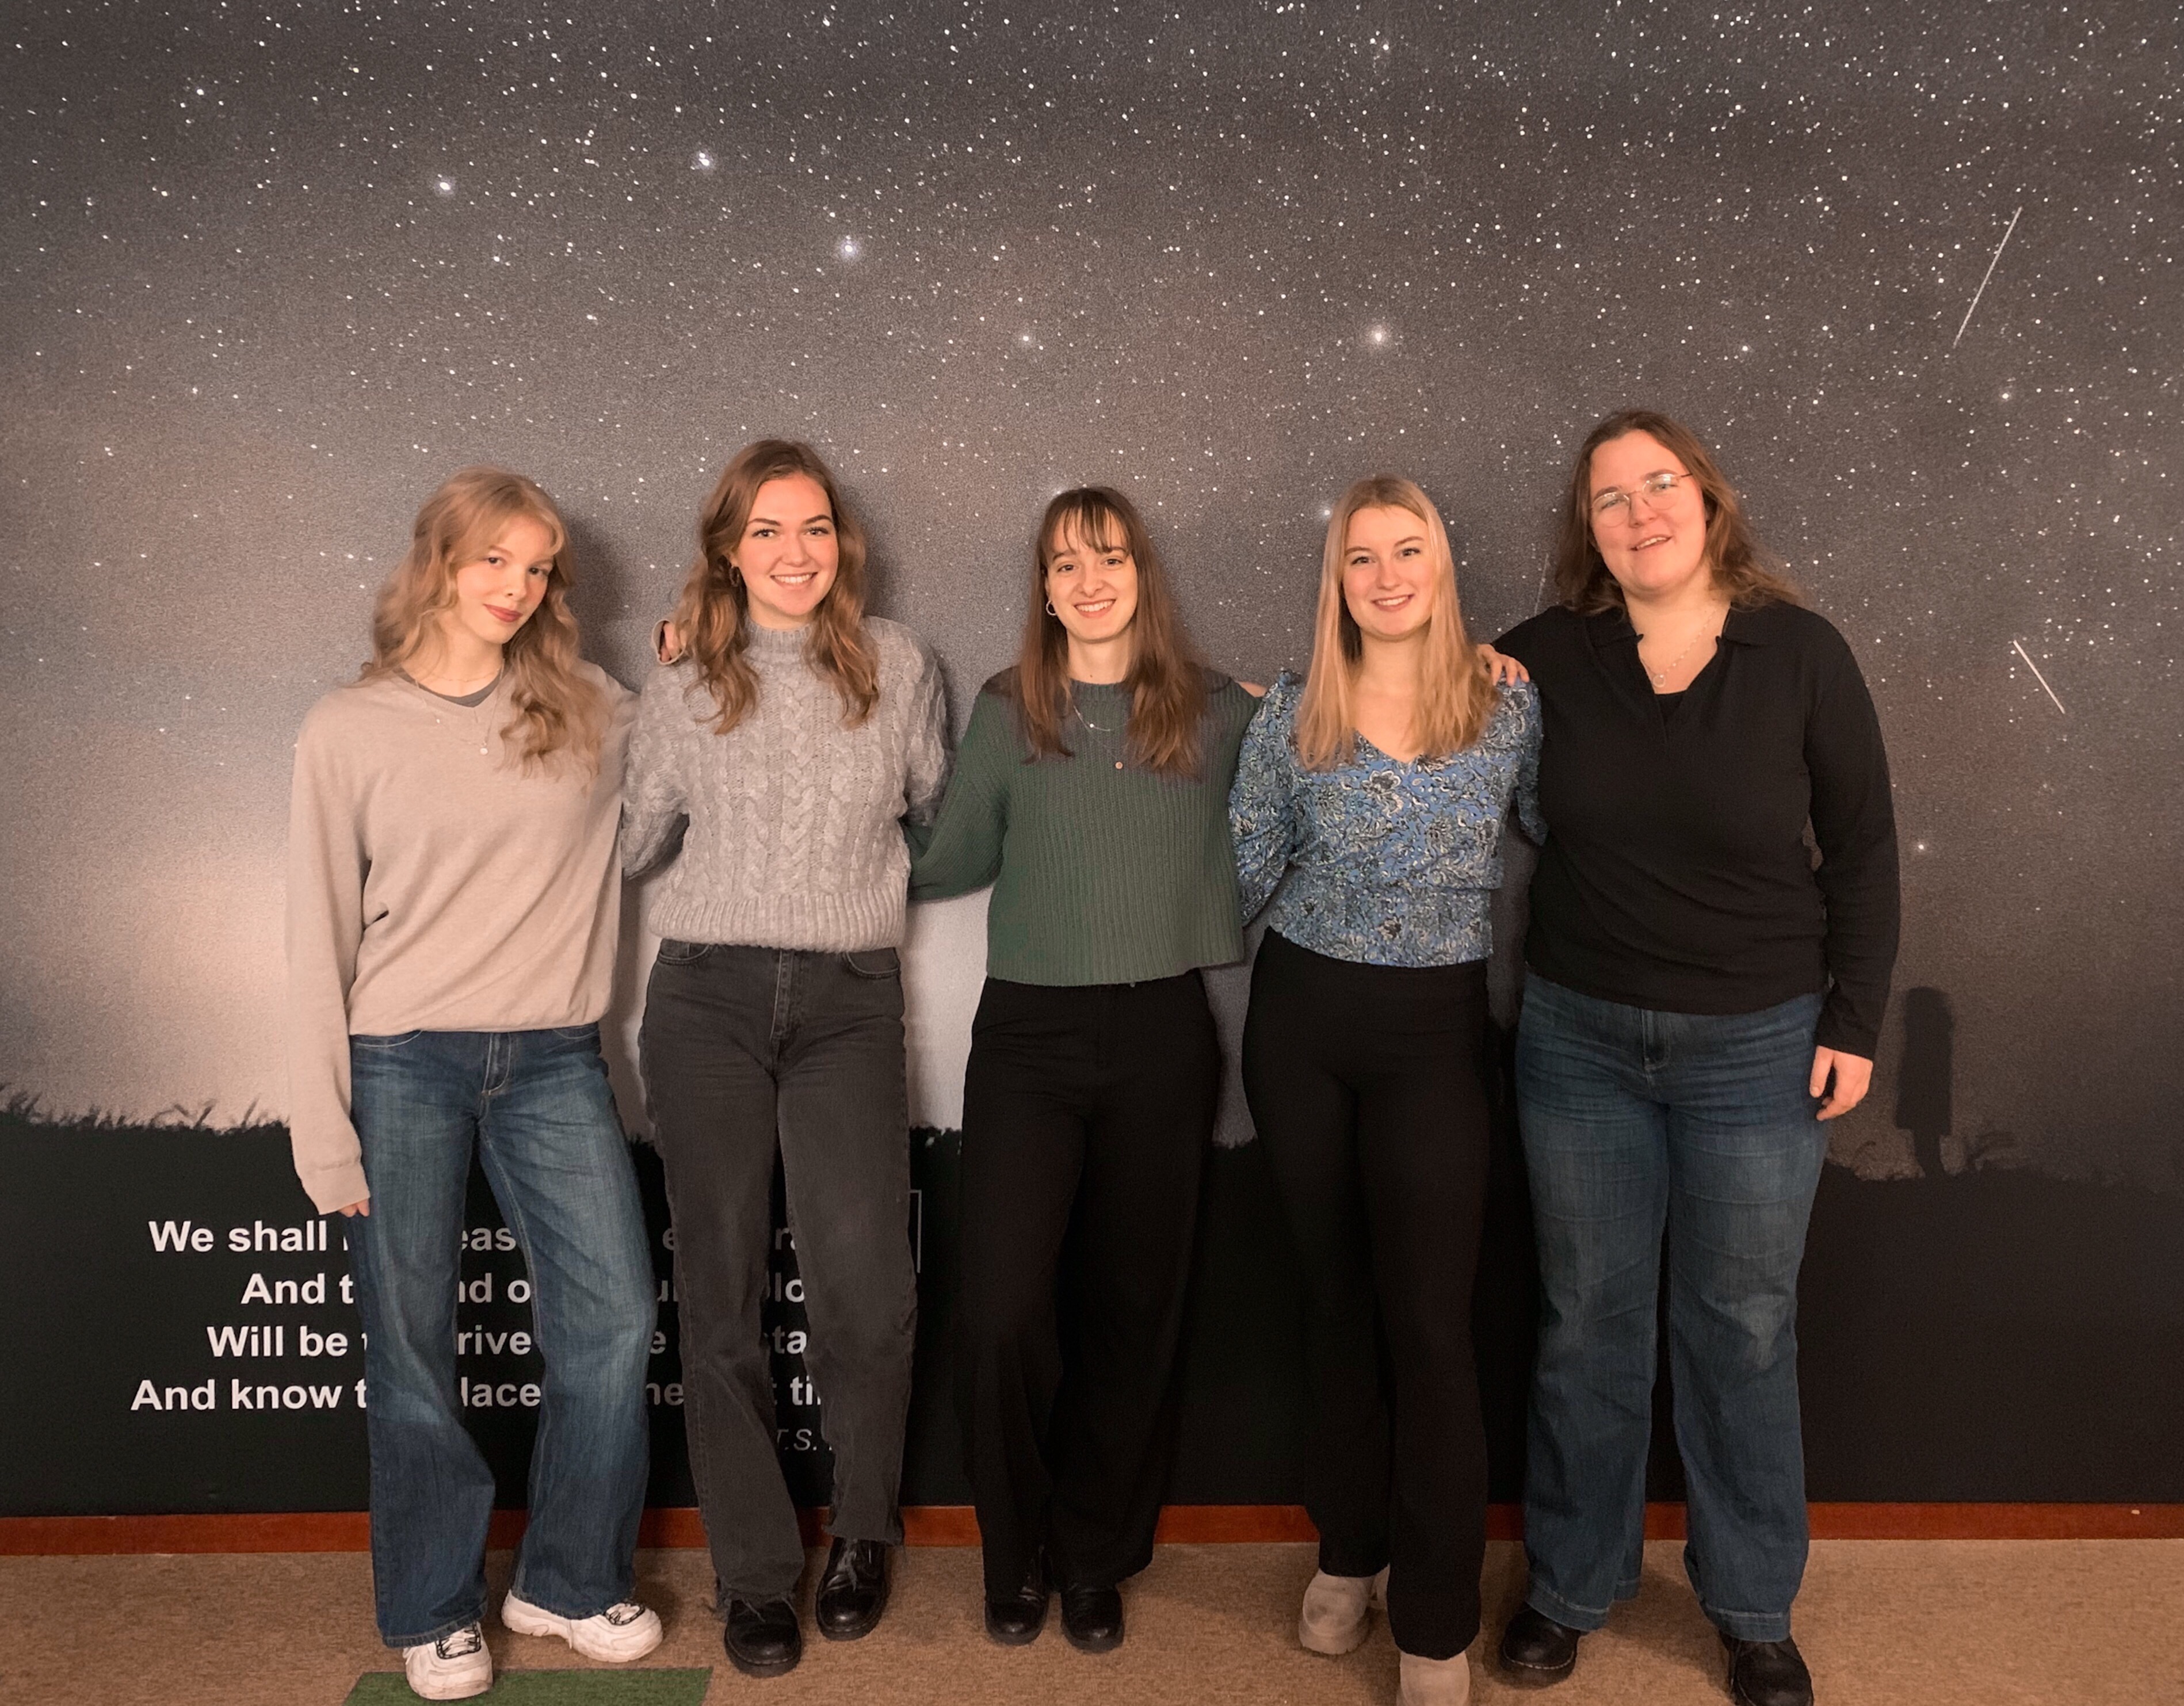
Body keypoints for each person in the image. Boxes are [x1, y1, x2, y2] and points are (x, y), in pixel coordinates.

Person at [1492, 411, 1899, 1706]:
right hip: (1578, 1043)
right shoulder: (1544, 654)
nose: (1637, 513)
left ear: (1706, 500)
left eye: (1657, 485)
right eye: (1608, 499)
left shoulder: (1800, 653)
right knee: (1584, 1325)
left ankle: (1749, 1606)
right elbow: (1401, 701)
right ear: (1588, 532)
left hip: (1759, 1046)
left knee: (1740, 1327)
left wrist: (1852, 1019)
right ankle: (1567, 1585)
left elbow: (1865, 848)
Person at [286, 467, 662, 1702]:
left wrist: (696, 658)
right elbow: (316, 934)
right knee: (409, 1352)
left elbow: (701, 755)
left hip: (554, 1056)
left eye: (539, 565)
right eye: (494, 558)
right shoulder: (347, 726)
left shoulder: (592, 707)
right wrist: (321, 1130)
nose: (518, 586)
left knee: (610, 1326)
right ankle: (433, 1607)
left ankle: (561, 1580)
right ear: (438, 562)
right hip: (403, 1060)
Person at [908, 486, 1259, 1654]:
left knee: (1131, 1310)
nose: (1087, 580)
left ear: (1139, 573)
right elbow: (941, 855)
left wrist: (1490, 670)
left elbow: (1346, 750)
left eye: (1107, 557)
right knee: (1003, 1308)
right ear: (1044, 589)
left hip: (1164, 1033)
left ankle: (1095, 1552)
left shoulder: (1217, 710)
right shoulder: (1013, 709)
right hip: (1028, 1039)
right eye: (1064, 563)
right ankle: (1015, 1556)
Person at [622, 440, 948, 1679]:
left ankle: (862, 1533)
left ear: (840, 543)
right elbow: (633, 836)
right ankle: (753, 1575)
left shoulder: (901, 664)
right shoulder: (683, 679)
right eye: (766, 531)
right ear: (727, 549)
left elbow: (932, 802)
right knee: (720, 1298)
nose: (795, 552)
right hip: (702, 997)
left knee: (863, 1289)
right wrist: (635, 688)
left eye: (814, 528)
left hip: (848, 1002)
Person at [1231, 475, 1541, 1706]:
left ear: (1439, 563)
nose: (1386, 575)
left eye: (1406, 550)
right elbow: (1242, 868)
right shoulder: (1292, 710)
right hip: (1302, 1022)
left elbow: (1579, 841)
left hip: (1433, 1033)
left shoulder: (1507, 707)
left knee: (1430, 1324)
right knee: (1335, 1302)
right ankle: (1347, 1548)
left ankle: (1432, 1619)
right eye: (1360, 557)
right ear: (1337, 580)